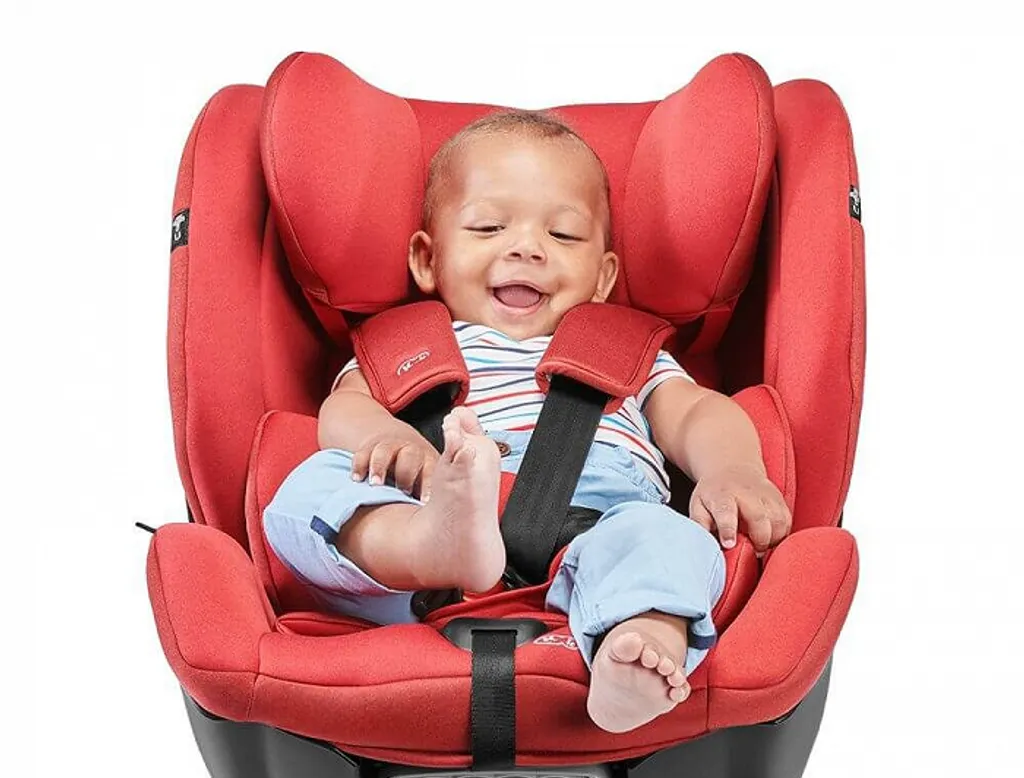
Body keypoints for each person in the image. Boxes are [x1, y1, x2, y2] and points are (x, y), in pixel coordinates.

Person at [263, 110, 792, 734]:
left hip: (594, 525)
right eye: (488, 227)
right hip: (429, 512)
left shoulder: (630, 355)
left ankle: (641, 642)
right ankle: (431, 546)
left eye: (563, 235)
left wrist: (731, 468)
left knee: (668, 537)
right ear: (428, 259)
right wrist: (388, 438)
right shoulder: (399, 349)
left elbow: (699, 411)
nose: (527, 247)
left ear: (604, 276)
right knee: (305, 493)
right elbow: (343, 410)